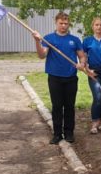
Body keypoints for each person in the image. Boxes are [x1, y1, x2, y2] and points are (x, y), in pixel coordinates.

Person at [32, 11, 87, 144]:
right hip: (55, 78)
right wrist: (38, 42)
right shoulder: (49, 39)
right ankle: (57, 134)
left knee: (69, 106)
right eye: (61, 23)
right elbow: (41, 55)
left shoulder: (74, 40)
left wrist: (82, 64)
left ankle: (69, 133)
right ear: (56, 23)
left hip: (71, 78)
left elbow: (82, 56)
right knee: (57, 106)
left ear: (69, 24)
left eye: (66, 23)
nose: (63, 26)